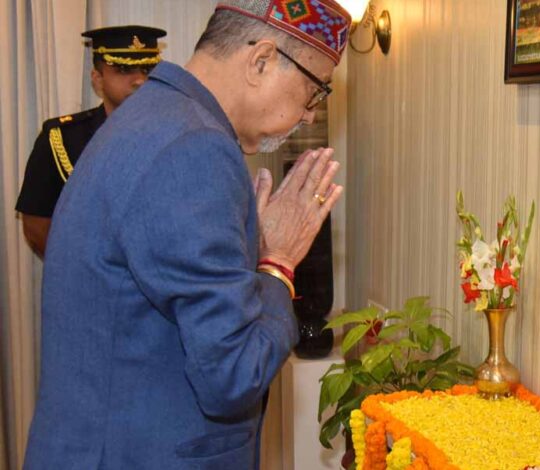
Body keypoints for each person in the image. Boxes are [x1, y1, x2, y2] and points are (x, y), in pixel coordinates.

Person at [23, 1, 351, 469]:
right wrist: (277, 263)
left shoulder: (156, 116)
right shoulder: (193, 147)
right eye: (314, 90)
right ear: (261, 60)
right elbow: (233, 375)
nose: (309, 116)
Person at [15, 25, 167, 259]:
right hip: (86, 276)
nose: (139, 80)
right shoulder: (62, 139)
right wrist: (82, 271)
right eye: (124, 69)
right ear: (98, 79)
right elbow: (37, 227)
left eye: (147, 69)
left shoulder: (174, 135)